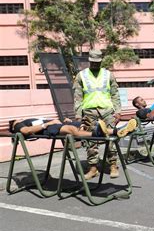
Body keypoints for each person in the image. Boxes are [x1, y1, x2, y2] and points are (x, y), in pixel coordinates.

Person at [73, 49, 122, 180]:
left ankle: (113, 165)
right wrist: (78, 115)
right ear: (89, 60)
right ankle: (93, 168)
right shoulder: (81, 76)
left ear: (101, 61)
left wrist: (117, 111)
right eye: (93, 62)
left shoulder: (108, 75)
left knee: (111, 139)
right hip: (89, 112)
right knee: (90, 140)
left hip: (107, 111)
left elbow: (115, 94)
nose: (95, 64)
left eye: (98, 62)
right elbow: (77, 97)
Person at [8, 117, 138, 139]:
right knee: (71, 129)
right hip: (48, 129)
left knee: (85, 124)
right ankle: (98, 135)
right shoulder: (18, 124)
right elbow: (26, 131)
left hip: (55, 125)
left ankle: (119, 130)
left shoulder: (27, 120)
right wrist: (46, 124)